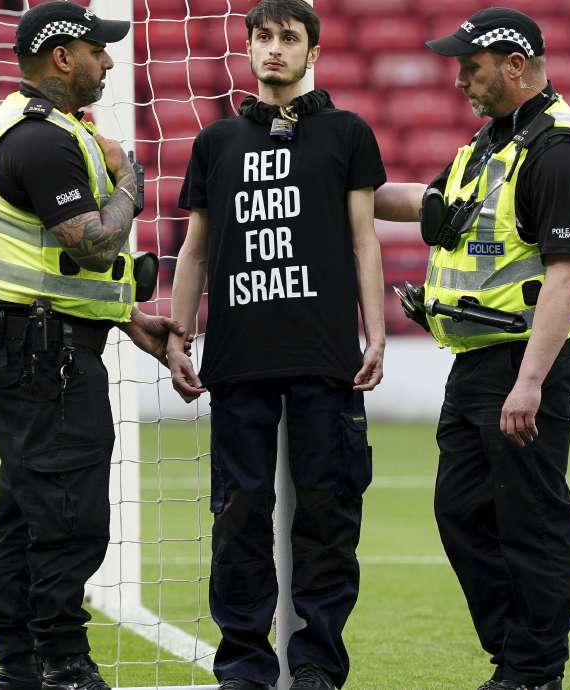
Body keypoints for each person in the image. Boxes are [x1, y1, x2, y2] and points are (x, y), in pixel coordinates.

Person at [373, 8, 570, 690]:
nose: (457, 80)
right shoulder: (491, 143)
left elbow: (564, 275)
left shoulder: (559, 150)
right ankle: (519, 656)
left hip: (523, 360)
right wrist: (340, 182)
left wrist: (531, 382)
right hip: (478, 360)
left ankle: (535, 670)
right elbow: (429, 201)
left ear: (514, 65)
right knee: (460, 511)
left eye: (469, 67)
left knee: (530, 519)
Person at [0, 3, 187, 689]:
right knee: (67, 517)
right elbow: (92, 243)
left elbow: (48, 270)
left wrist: (125, 319)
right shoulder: (42, 140)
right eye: (98, 50)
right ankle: (61, 664)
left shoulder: (39, 129)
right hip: (43, 359)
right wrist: (131, 180)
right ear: (62, 56)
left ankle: (22, 666)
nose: (109, 62)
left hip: (34, 345)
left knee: (28, 513)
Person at [164, 1, 387, 688]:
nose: (274, 49)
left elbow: (363, 237)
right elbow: (194, 248)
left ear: (312, 51)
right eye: (263, 37)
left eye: (289, 38)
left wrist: (375, 331)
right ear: (250, 47)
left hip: (325, 357)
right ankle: (242, 667)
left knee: (327, 516)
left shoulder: (347, 132)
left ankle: (318, 663)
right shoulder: (217, 142)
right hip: (238, 360)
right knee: (237, 519)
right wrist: (179, 334)